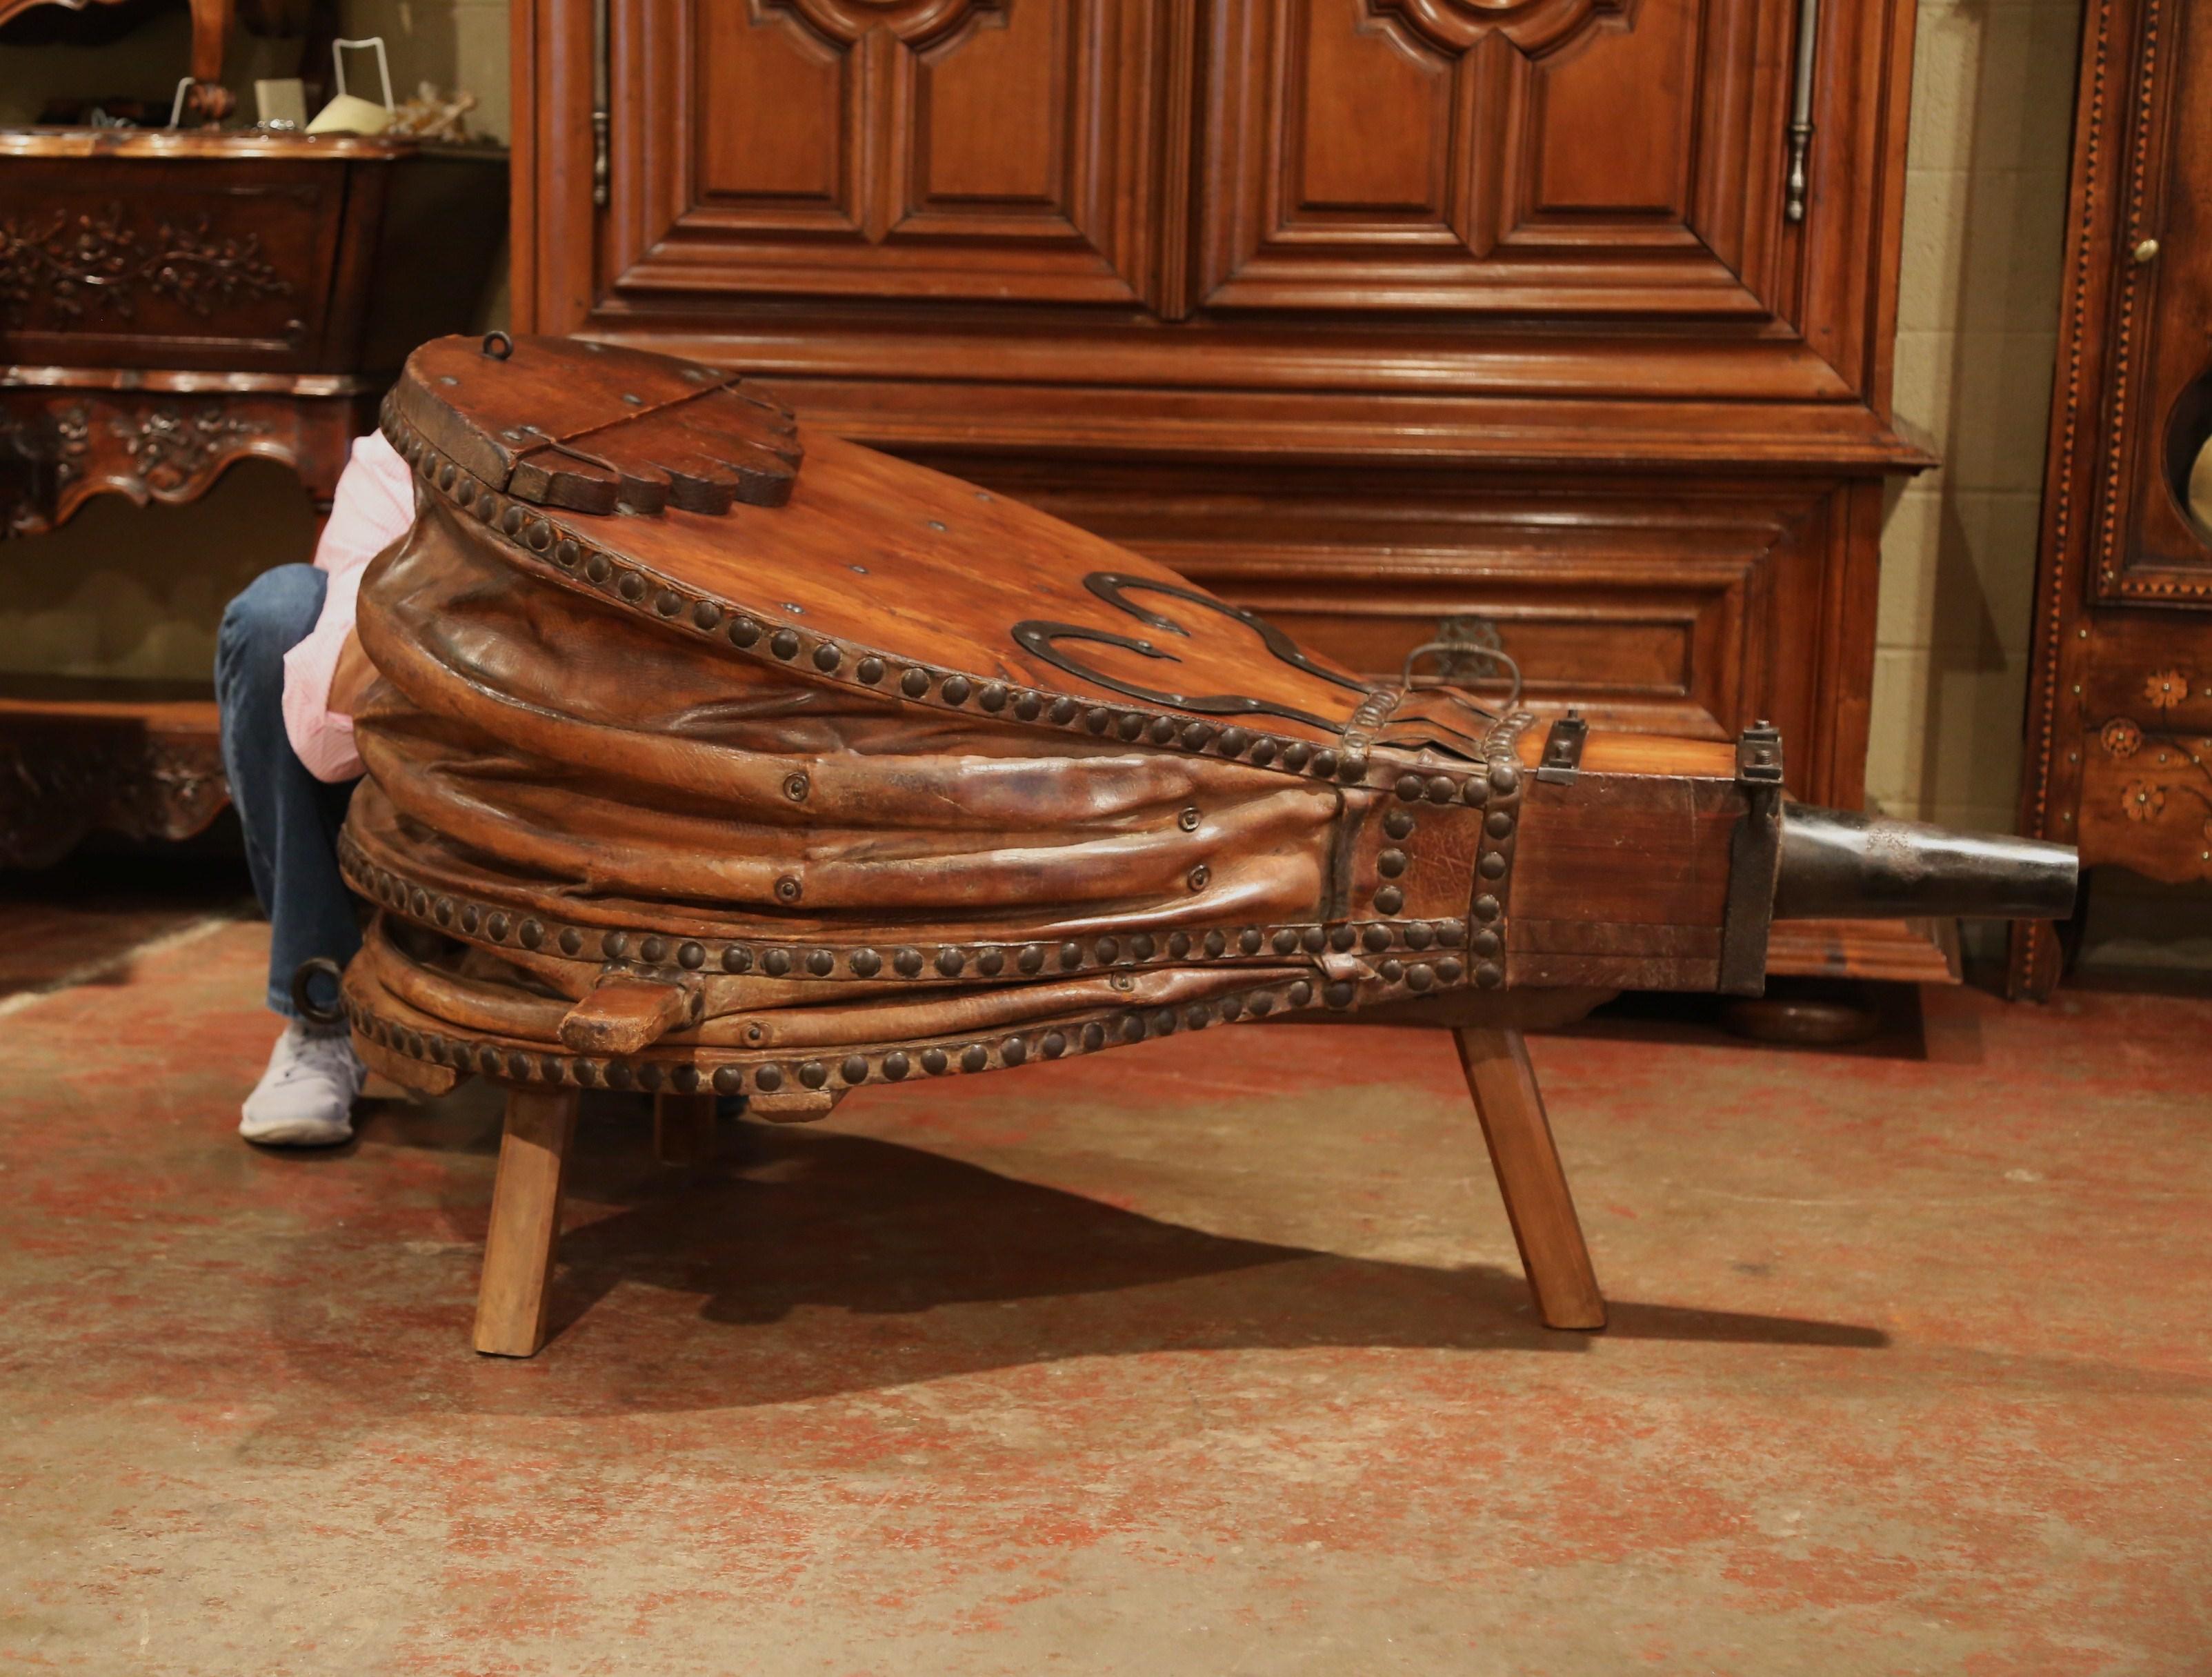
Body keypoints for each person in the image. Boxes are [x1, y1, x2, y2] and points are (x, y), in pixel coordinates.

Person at [215, 432, 414, 1146]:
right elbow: (326, 744)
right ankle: (322, 1011)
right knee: (280, 615)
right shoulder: (400, 460)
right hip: (405, 762)